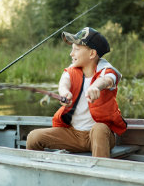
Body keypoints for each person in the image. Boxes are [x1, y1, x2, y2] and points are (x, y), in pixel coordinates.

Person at [26, 27, 127, 157]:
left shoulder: (107, 71)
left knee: (99, 129)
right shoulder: (71, 71)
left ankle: (99, 172)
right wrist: (64, 92)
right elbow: (63, 84)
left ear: (92, 54)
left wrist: (95, 87)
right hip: (73, 135)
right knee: (33, 137)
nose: (71, 54)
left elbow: (107, 80)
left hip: (101, 136)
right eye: (71, 49)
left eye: (76, 49)